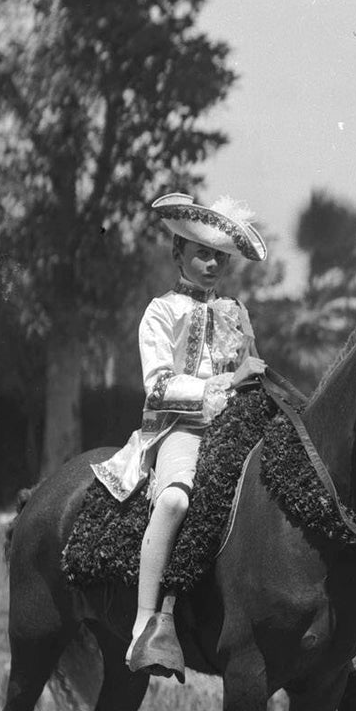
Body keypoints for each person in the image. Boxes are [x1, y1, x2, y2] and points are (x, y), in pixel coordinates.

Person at [91, 192, 268, 680]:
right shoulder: (160, 312)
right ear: (179, 254)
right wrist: (224, 384)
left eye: (220, 257)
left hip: (240, 425)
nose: (212, 264)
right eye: (202, 254)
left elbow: (248, 366)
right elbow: (159, 387)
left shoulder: (236, 311)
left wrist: (253, 381)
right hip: (179, 427)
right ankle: (146, 623)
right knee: (173, 502)